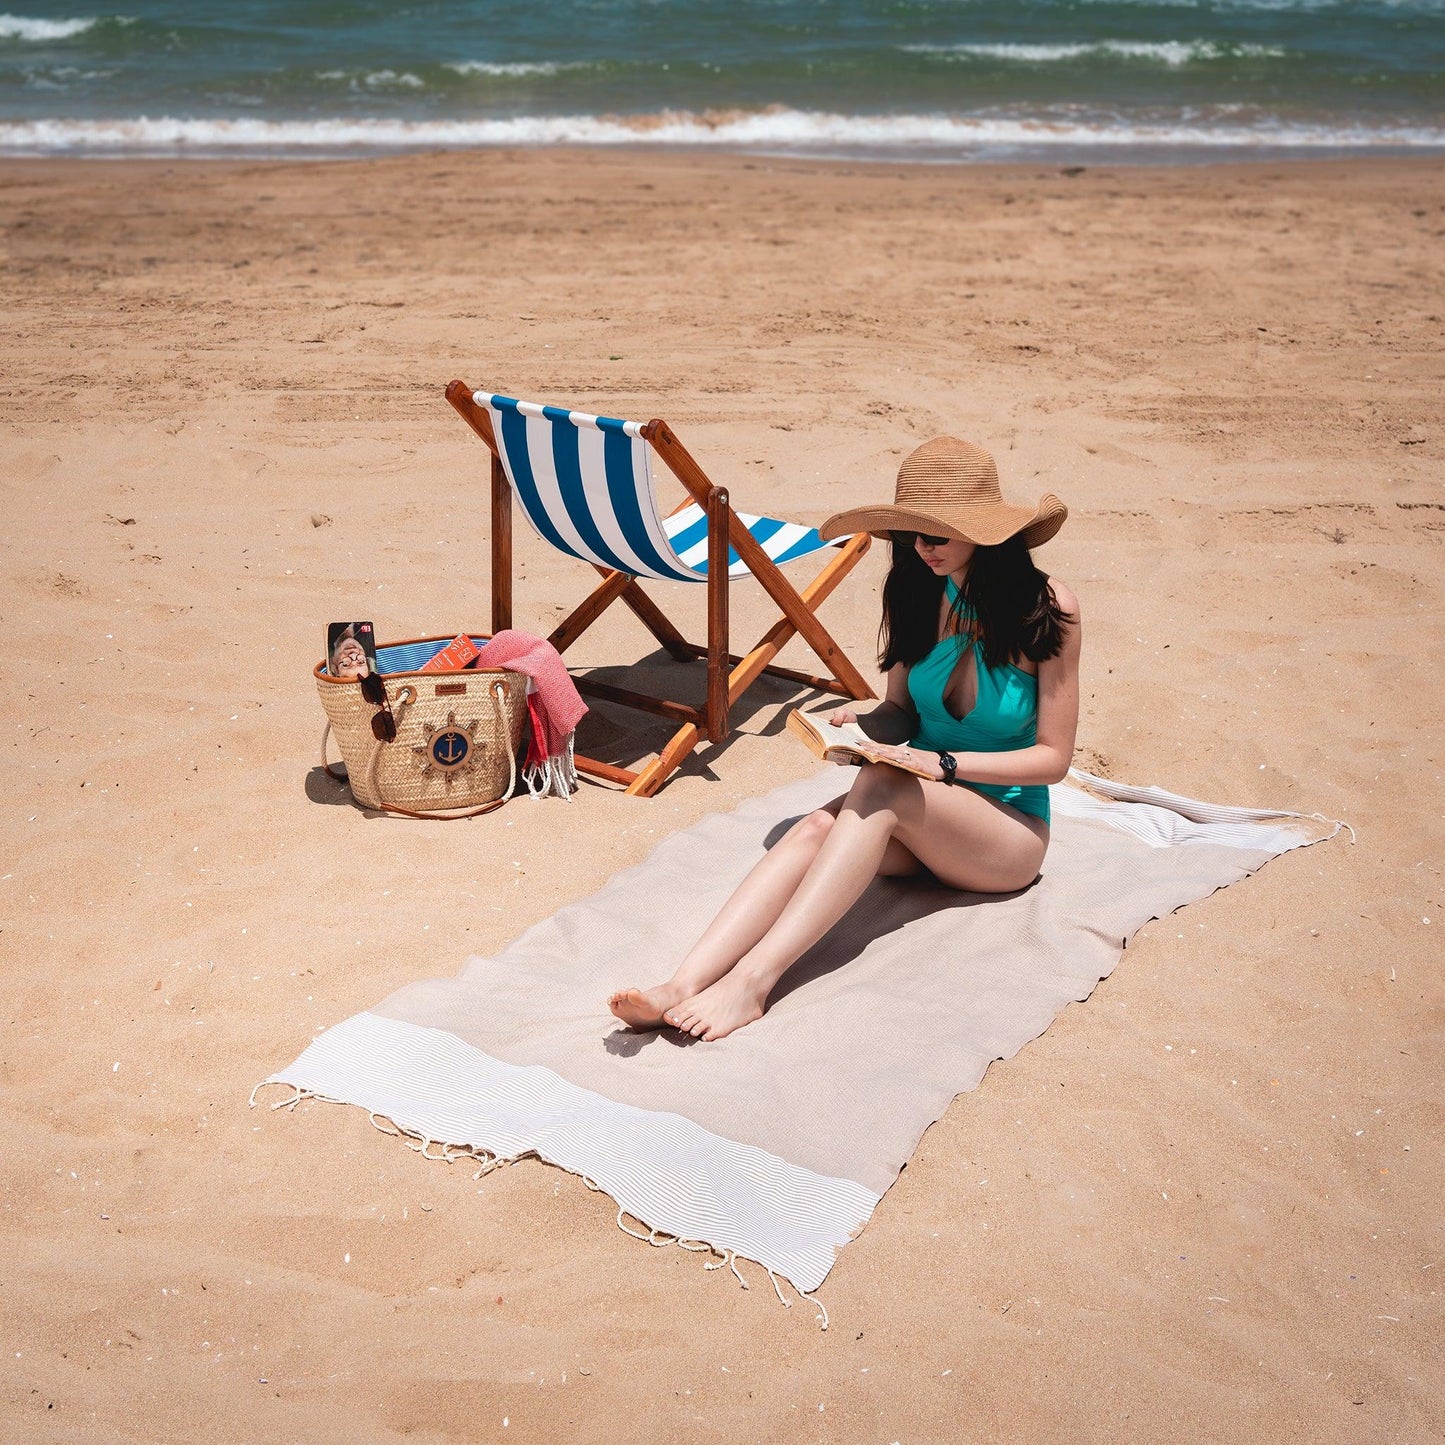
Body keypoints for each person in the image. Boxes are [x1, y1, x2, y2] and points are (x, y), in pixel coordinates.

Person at [608, 436, 1081, 1042]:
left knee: (883, 782)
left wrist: (940, 765)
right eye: (911, 533)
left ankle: (753, 984)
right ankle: (681, 983)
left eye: (936, 534)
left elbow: (1053, 760)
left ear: (983, 532)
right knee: (816, 828)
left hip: (1006, 837)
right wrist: (866, 729)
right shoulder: (916, 589)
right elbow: (900, 713)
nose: (920, 548)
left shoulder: (1046, 608)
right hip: (922, 818)